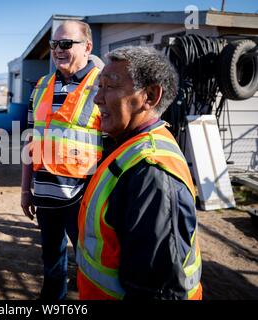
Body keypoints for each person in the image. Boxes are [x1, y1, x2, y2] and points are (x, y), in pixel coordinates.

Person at [76, 46, 202, 300]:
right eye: (98, 87)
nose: (97, 99)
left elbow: (158, 292)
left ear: (151, 95)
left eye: (110, 87)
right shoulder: (128, 145)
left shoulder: (151, 173)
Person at [21, 20, 102, 300]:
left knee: (90, 263)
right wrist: (25, 190)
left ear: (87, 47)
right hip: (45, 195)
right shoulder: (42, 85)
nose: (57, 50)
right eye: (55, 44)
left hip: (85, 199)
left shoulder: (103, 86)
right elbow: (30, 140)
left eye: (66, 44)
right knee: (52, 261)